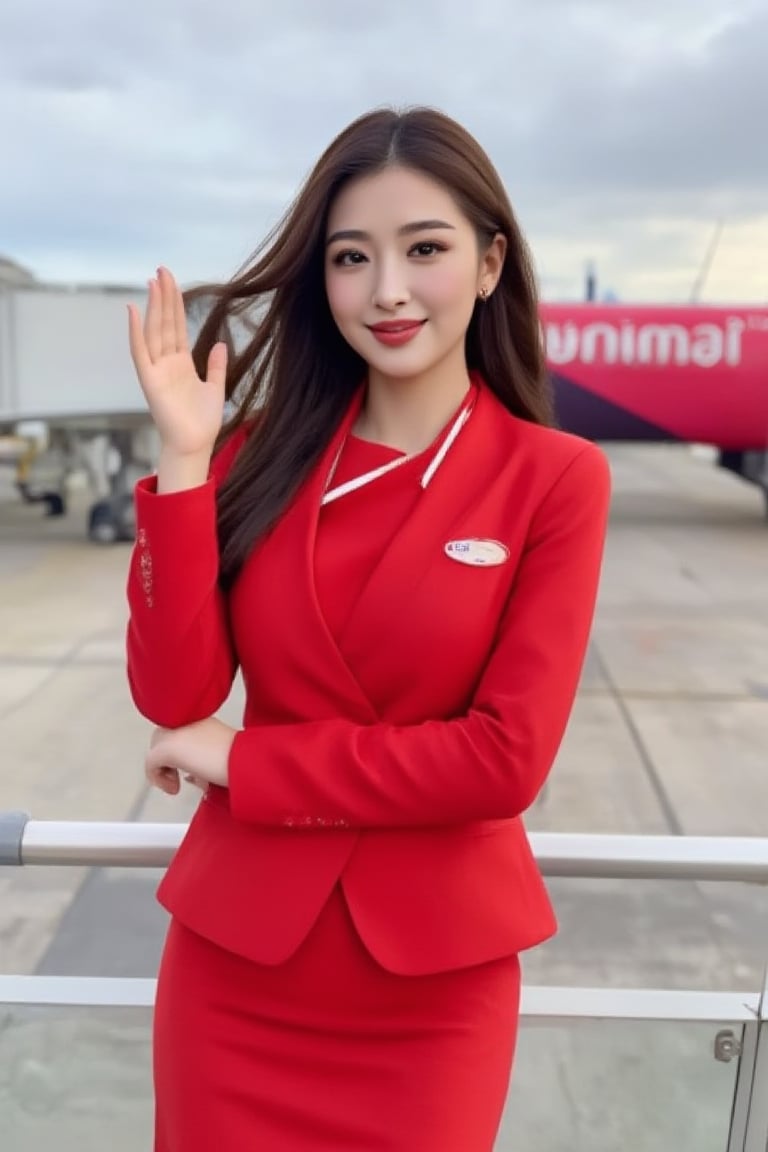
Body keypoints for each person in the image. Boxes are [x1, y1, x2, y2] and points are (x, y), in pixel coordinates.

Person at [125, 105, 611, 1152]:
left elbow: (502, 761)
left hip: (432, 993)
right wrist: (183, 463)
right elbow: (174, 698)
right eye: (352, 258)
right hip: (236, 974)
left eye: (423, 250)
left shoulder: (555, 480)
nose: (386, 291)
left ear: (489, 264)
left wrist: (254, 765)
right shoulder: (257, 456)